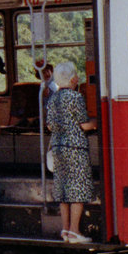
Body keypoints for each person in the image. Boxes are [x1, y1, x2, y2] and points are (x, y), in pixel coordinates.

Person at [45, 61, 97, 244]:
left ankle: (65, 230)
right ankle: (75, 231)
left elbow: (50, 125)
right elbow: (84, 125)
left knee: (63, 190)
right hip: (75, 148)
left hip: (58, 147)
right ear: (74, 78)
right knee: (77, 189)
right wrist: (96, 122)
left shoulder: (53, 99)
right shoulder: (76, 98)